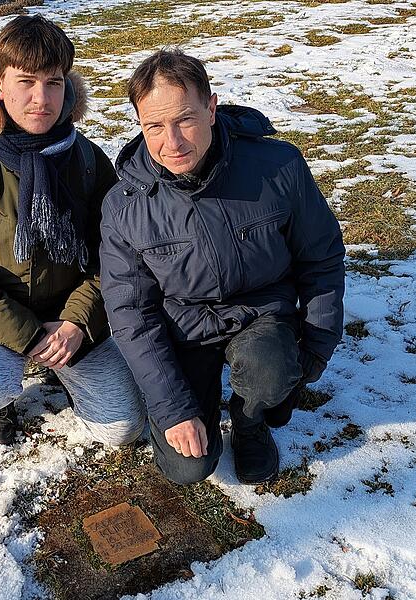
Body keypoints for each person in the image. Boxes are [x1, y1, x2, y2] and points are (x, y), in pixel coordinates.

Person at [100, 49, 345, 485]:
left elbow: (321, 257)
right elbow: (131, 315)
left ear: (211, 108)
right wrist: (175, 409)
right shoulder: (125, 207)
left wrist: (315, 349)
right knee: (187, 467)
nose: (171, 142)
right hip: (185, 329)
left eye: (185, 120)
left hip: (262, 314)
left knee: (271, 370)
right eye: (154, 126)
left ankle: (250, 422)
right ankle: (204, 404)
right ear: (139, 123)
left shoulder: (278, 167)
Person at [0, 15, 145, 447]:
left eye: (54, 82)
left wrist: (77, 323)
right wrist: (27, 334)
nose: (40, 98)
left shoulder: (86, 161)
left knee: (122, 428)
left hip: (70, 323)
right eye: (26, 81)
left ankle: (63, 369)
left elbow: (119, 260)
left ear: (69, 86)